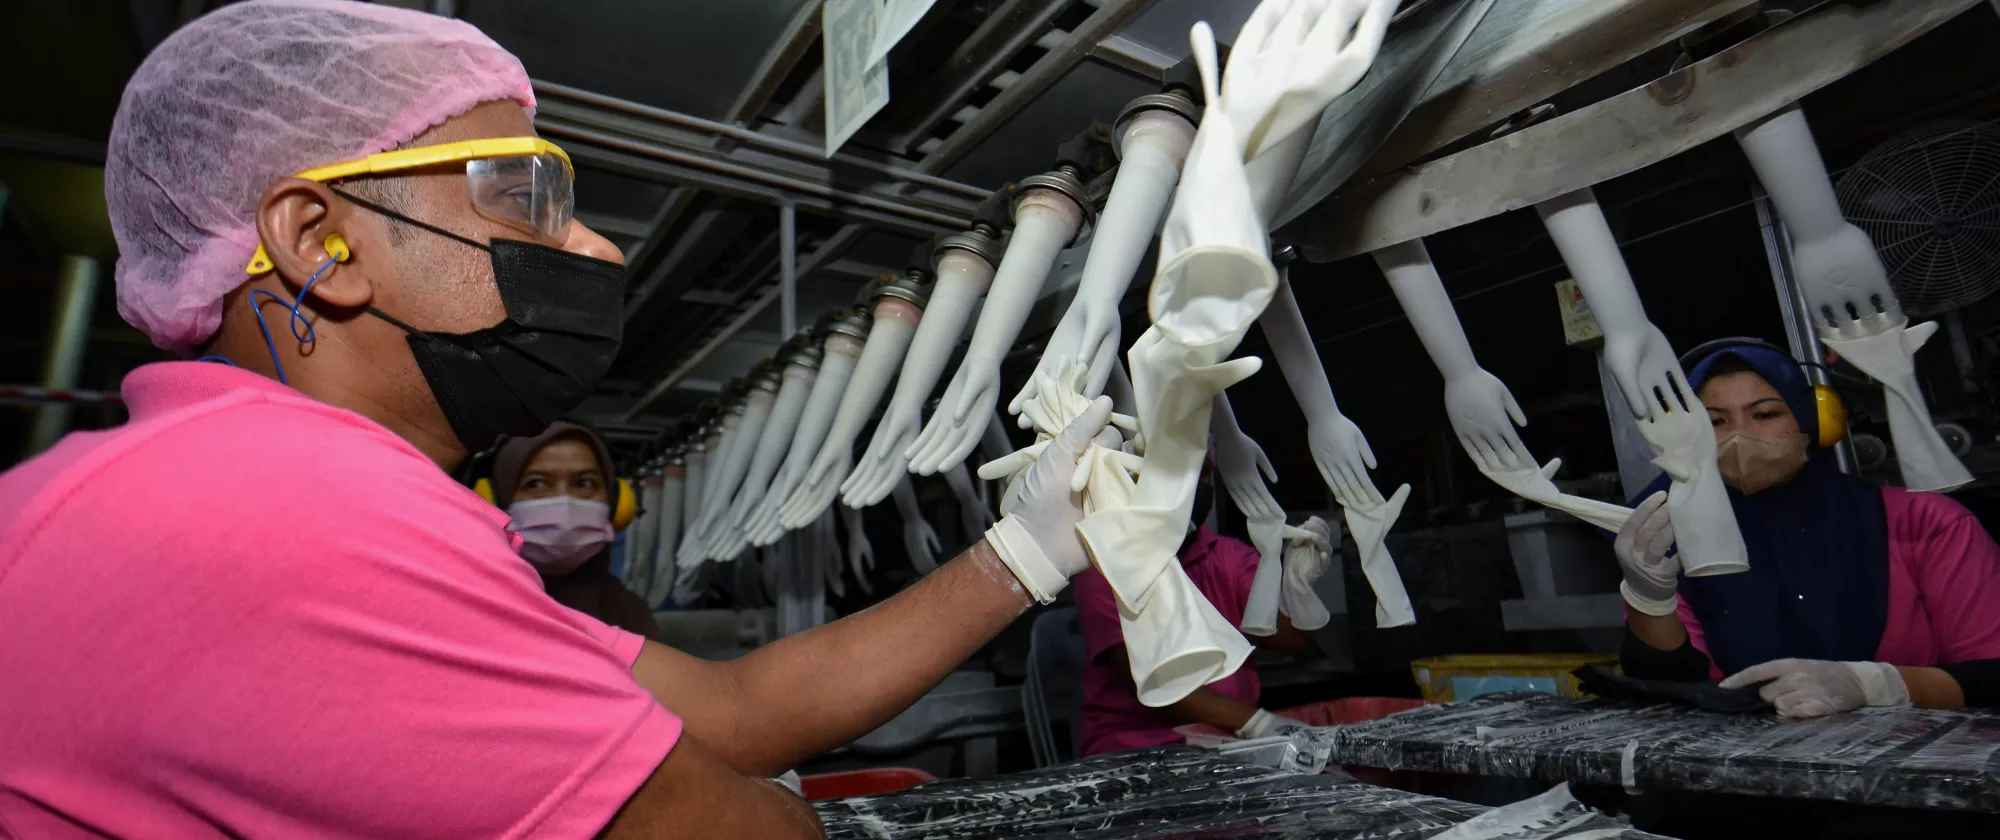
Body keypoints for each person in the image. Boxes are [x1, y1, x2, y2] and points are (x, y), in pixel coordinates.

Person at [0, 2, 1116, 837]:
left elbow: (730, 706)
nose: (597, 249)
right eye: (524, 195)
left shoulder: (229, 479)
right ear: (314, 240)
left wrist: (1023, 549)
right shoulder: (280, 516)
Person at [1615, 339, 2000, 717]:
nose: (1738, 435)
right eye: (1714, 421)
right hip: (1750, 768)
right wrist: (1650, 600)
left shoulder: (1928, 523)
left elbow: (1991, 674)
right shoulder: (1673, 537)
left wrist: (1876, 685)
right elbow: (1667, 689)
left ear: (1815, 420)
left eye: (1765, 415)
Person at [1074, 463, 1317, 756]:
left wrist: (1298, 586)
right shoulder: (1106, 567)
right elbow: (1155, 688)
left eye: (1203, 472)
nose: (1193, 484)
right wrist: (1259, 724)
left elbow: (1288, 641)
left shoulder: (1228, 557)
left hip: (1230, 743)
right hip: (1135, 749)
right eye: (1178, 467)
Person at [487, 421, 660, 641]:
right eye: (535, 484)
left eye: (584, 483)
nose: (564, 502)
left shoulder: (632, 615)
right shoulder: (465, 610)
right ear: (494, 500)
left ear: (617, 503)